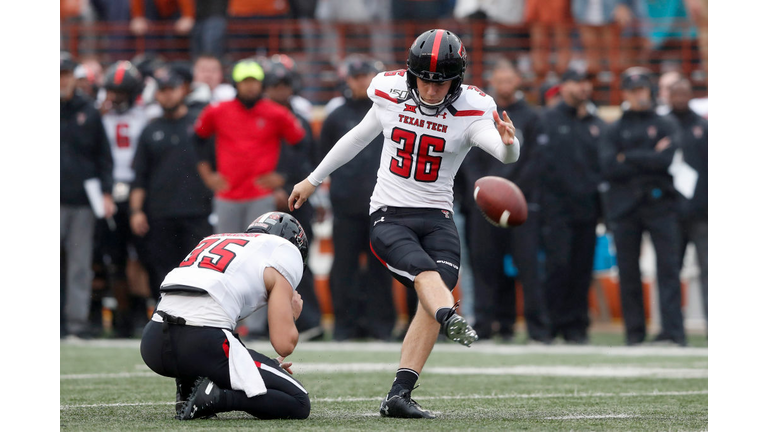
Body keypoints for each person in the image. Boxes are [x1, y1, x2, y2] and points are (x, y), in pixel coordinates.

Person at [288, 29, 520, 418]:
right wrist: (313, 180)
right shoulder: (389, 90)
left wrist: (509, 142)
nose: (430, 90)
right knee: (428, 278)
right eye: (424, 80)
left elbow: (504, 155)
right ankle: (450, 317)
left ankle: (399, 394)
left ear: (456, 80)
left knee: (434, 294)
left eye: (440, 81)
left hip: (439, 217)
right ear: (412, 74)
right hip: (389, 214)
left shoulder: (473, 107)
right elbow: (358, 137)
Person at [140, 211, 311, 420]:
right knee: (299, 402)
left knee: (207, 323)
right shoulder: (283, 252)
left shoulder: (214, 240)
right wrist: (291, 314)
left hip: (153, 343)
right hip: (202, 344)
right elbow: (284, 344)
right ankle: (218, 397)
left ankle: (188, 388)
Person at [460, 59, 551, 343]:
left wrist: (510, 192)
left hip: (520, 203)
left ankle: (537, 330)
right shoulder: (479, 115)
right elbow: (467, 158)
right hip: (483, 206)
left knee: (528, 268)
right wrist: (485, 192)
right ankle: (487, 326)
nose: (504, 85)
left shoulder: (532, 117)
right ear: (492, 82)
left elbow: (536, 161)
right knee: (485, 267)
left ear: (518, 81)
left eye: (509, 79)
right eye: (499, 80)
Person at [599, 67, 686, 347]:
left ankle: (674, 332)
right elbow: (610, 166)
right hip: (625, 208)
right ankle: (634, 333)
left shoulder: (666, 124)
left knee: (669, 269)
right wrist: (649, 155)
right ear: (625, 93)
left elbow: (667, 160)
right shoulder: (614, 128)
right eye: (633, 90)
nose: (639, 95)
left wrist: (629, 157)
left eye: (643, 89)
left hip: (661, 205)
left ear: (650, 90)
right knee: (628, 272)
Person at [318, 55, 395, 341]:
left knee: (381, 270)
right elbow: (323, 156)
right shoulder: (337, 116)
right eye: (356, 76)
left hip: (383, 204)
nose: (361, 81)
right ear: (347, 79)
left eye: (366, 76)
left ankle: (381, 327)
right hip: (346, 205)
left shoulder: (389, 110)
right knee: (344, 269)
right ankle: (344, 326)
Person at [194, 59, 306, 236]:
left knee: (260, 251)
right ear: (235, 84)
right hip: (227, 195)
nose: (250, 86)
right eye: (245, 81)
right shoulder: (217, 111)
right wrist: (207, 175)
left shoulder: (277, 113)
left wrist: (284, 176)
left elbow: (301, 145)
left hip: (260, 195)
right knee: (226, 248)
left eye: (254, 81)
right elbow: (197, 140)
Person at [129, 70, 213, 302]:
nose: (167, 96)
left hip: (197, 211)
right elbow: (139, 176)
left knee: (200, 272)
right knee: (163, 272)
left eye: (171, 90)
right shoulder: (150, 130)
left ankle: (199, 320)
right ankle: (165, 320)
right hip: (160, 213)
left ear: (182, 90)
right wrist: (136, 211)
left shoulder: (200, 126)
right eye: (162, 91)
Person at [258, 55, 324, 340]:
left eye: (284, 84)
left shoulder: (299, 119)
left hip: (298, 198)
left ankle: (308, 320)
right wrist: (270, 187)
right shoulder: (257, 117)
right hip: (261, 197)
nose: (280, 90)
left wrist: (310, 194)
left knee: (298, 260)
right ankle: (264, 322)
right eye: (275, 84)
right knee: (263, 263)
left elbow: (308, 161)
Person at [538, 68, 605, 344]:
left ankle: (577, 326)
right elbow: (542, 167)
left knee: (582, 270)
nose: (583, 88)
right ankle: (551, 324)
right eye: (578, 82)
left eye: (586, 83)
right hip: (556, 211)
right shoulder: (548, 120)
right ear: (564, 86)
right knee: (558, 267)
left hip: (588, 210)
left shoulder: (596, 123)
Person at [61, 51, 115, 339]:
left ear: (73, 77)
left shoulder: (89, 111)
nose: (61, 80)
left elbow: (103, 157)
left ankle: (76, 323)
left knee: (79, 265)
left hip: (82, 201)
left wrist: (106, 192)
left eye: (65, 74)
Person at [98, 60, 151, 337]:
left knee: (140, 254)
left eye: (121, 92)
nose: (115, 97)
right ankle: (124, 315)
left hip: (138, 187)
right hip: (109, 189)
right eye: (112, 91)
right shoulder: (100, 115)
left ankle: (144, 312)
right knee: (114, 257)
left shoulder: (145, 115)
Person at [667, 77, 707, 328]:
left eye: (684, 94)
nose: (680, 99)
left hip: (701, 212)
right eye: (676, 94)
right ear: (669, 97)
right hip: (670, 210)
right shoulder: (662, 124)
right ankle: (673, 329)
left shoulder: (702, 127)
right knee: (670, 271)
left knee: (709, 270)